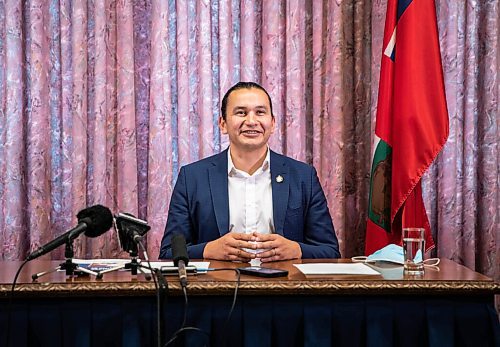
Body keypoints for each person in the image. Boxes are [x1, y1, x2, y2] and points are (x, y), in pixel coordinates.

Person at [159, 82, 340, 262]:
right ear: (223, 124)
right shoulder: (192, 178)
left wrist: (297, 250)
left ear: (272, 123)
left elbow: (330, 251)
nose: (251, 121)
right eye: (241, 113)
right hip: (216, 287)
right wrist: (207, 250)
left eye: (260, 112)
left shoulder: (303, 176)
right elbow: (168, 252)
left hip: (285, 286)